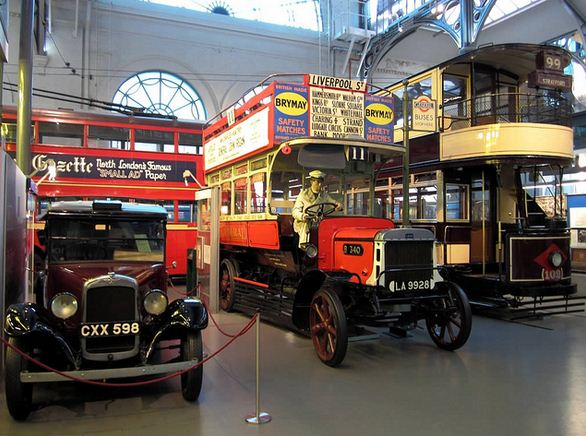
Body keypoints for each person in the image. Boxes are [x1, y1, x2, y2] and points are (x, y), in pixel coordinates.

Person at [292, 170, 342, 247]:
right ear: (311, 182)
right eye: (317, 182)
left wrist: (338, 205)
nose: (320, 184)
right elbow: (295, 211)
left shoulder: (323, 195)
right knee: (305, 229)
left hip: (318, 222)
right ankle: (305, 247)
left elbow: (332, 202)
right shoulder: (303, 195)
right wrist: (303, 216)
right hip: (305, 222)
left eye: (321, 182)